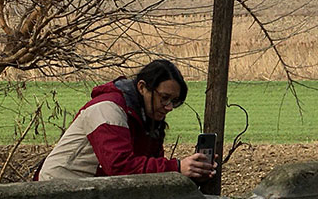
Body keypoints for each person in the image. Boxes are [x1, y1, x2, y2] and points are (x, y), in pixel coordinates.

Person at [36, 59, 216, 183]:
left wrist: (191, 171)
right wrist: (176, 167)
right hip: (56, 187)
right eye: (164, 98)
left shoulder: (148, 118)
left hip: (90, 190)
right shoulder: (107, 109)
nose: (168, 107)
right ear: (142, 87)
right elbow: (119, 166)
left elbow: (148, 167)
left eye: (174, 102)